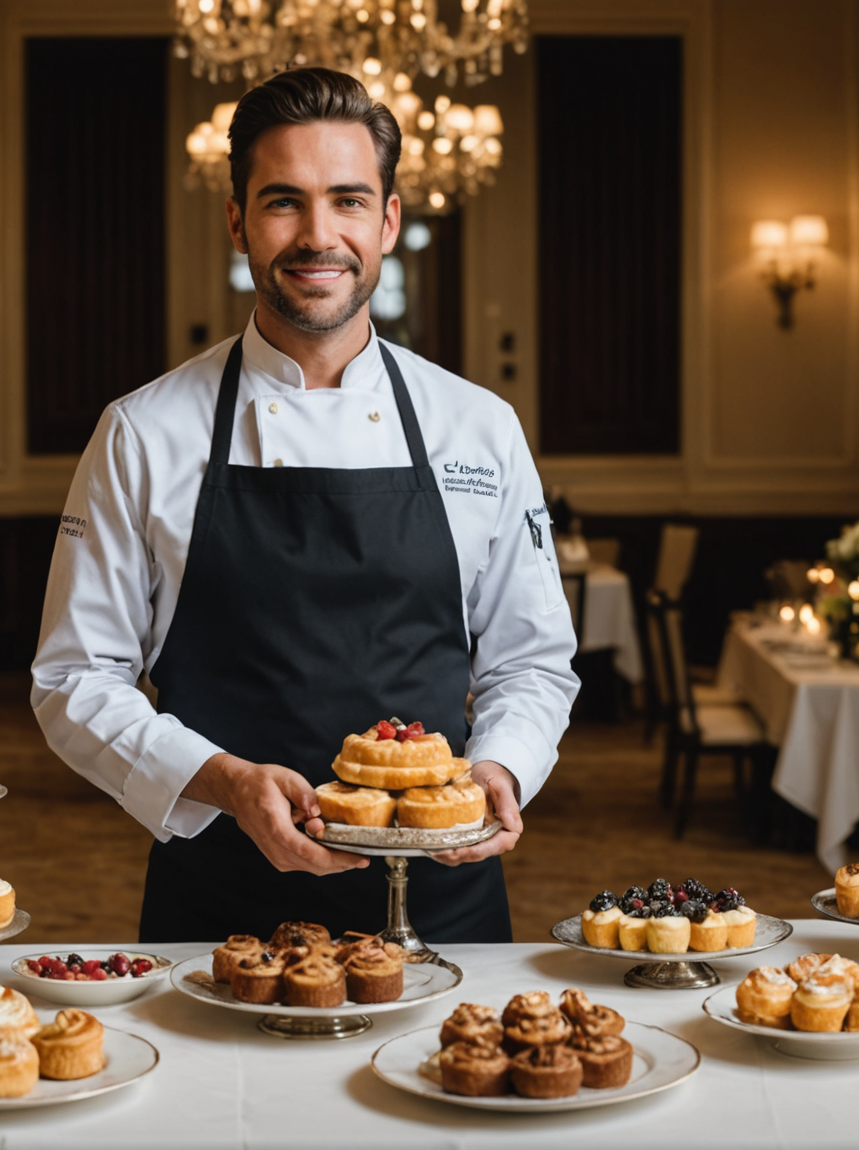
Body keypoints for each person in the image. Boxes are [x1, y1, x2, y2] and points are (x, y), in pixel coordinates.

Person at [31, 66, 577, 943]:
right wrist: (223, 782)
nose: (319, 236)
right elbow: (74, 680)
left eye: (350, 201)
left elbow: (532, 660)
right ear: (238, 219)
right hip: (217, 913)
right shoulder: (142, 432)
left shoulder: (478, 425)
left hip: (439, 904)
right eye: (284, 201)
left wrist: (502, 767)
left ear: (389, 221)